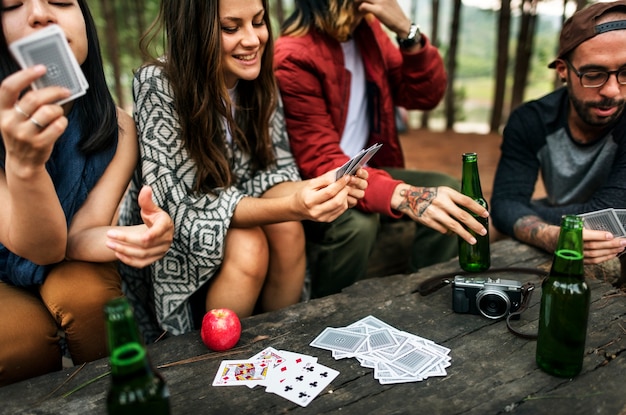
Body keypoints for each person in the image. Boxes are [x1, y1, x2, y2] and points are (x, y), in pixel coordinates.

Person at [118, 0, 368, 341]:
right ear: (194, 30)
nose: (252, 40)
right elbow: (182, 208)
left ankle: (280, 340)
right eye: (230, 28)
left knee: (289, 230)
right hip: (175, 243)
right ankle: (212, 361)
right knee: (250, 245)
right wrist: (294, 203)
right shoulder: (158, 84)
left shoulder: (259, 80)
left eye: (259, 21)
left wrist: (318, 188)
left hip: (234, 213)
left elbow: (275, 172)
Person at [0, 0, 174, 386]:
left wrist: (135, 238)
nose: (40, 14)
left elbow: (76, 237)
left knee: (90, 297)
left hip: (62, 254)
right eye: (11, 4)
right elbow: (38, 248)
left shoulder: (119, 130)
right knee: (20, 341)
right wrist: (24, 167)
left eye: (60, 0)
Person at [274, 0, 490, 298]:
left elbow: (422, 96)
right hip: (322, 184)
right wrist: (404, 195)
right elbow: (321, 158)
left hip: (369, 172)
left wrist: (406, 31)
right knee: (358, 225)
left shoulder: (368, 31)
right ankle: (325, 310)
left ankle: (430, 296)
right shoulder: (293, 55)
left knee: (449, 190)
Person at [491, 0, 626, 269]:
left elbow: (608, 214)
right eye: (594, 74)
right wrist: (548, 234)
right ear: (563, 71)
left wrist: (524, 217)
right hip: (563, 214)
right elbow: (505, 203)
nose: (612, 91)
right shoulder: (530, 121)